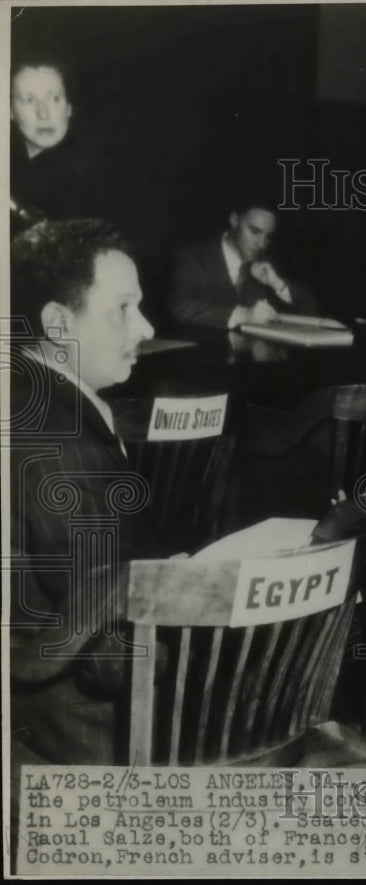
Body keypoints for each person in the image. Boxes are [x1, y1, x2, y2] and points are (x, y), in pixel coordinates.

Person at [10, 219, 161, 769]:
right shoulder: (61, 446)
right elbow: (111, 654)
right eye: (123, 308)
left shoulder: (25, 388)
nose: (144, 328)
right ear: (57, 323)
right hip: (79, 724)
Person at [167, 197, 318, 329]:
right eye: (254, 231)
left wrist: (278, 284)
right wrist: (244, 315)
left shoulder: (265, 264)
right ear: (234, 220)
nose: (262, 243)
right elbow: (178, 307)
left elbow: (312, 310)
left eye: (268, 237)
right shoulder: (193, 258)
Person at [9, 57, 109, 234]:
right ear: (10, 111)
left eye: (54, 98)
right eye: (29, 100)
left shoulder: (93, 178)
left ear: (69, 107)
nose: (43, 113)